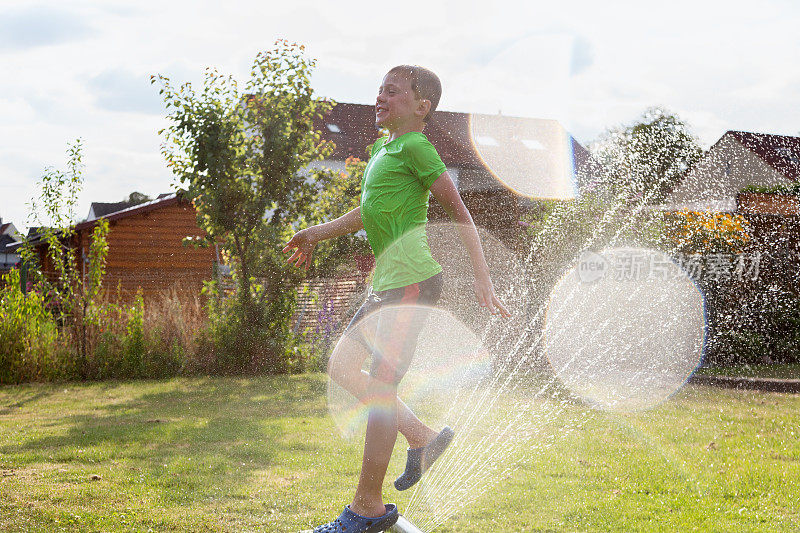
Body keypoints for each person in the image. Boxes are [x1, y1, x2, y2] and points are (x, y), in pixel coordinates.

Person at [284, 64, 510, 533]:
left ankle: (366, 510)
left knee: (381, 391)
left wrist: (482, 278)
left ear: (422, 106)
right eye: (379, 89)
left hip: (411, 284)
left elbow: (460, 212)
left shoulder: (416, 147)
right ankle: (423, 437)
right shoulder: (384, 150)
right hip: (387, 285)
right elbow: (368, 212)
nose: (381, 97)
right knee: (343, 368)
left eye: (393, 91)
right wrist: (316, 233)